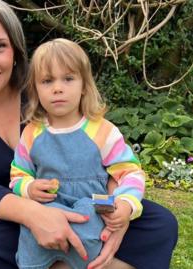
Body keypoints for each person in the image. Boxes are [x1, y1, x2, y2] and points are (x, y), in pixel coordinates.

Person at [0, 0, 178, 268]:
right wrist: (36, 216)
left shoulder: (45, 88)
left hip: (87, 207)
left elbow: (105, 159)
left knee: (161, 224)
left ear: (15, 51)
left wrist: (117, 214)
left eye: (0, 45)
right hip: (16, 215)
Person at [9, 38, 147, 269]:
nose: (58, 88)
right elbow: (18, 174)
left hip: (91, 206)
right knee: (31, 246)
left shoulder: (102, 130)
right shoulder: (32, 133)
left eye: (68, 78)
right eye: (47, 81)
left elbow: (131, 173)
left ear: (84, 85)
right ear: (35, 89)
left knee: (87, 236)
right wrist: (29, 187)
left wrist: (125, 203)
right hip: (48, 210)